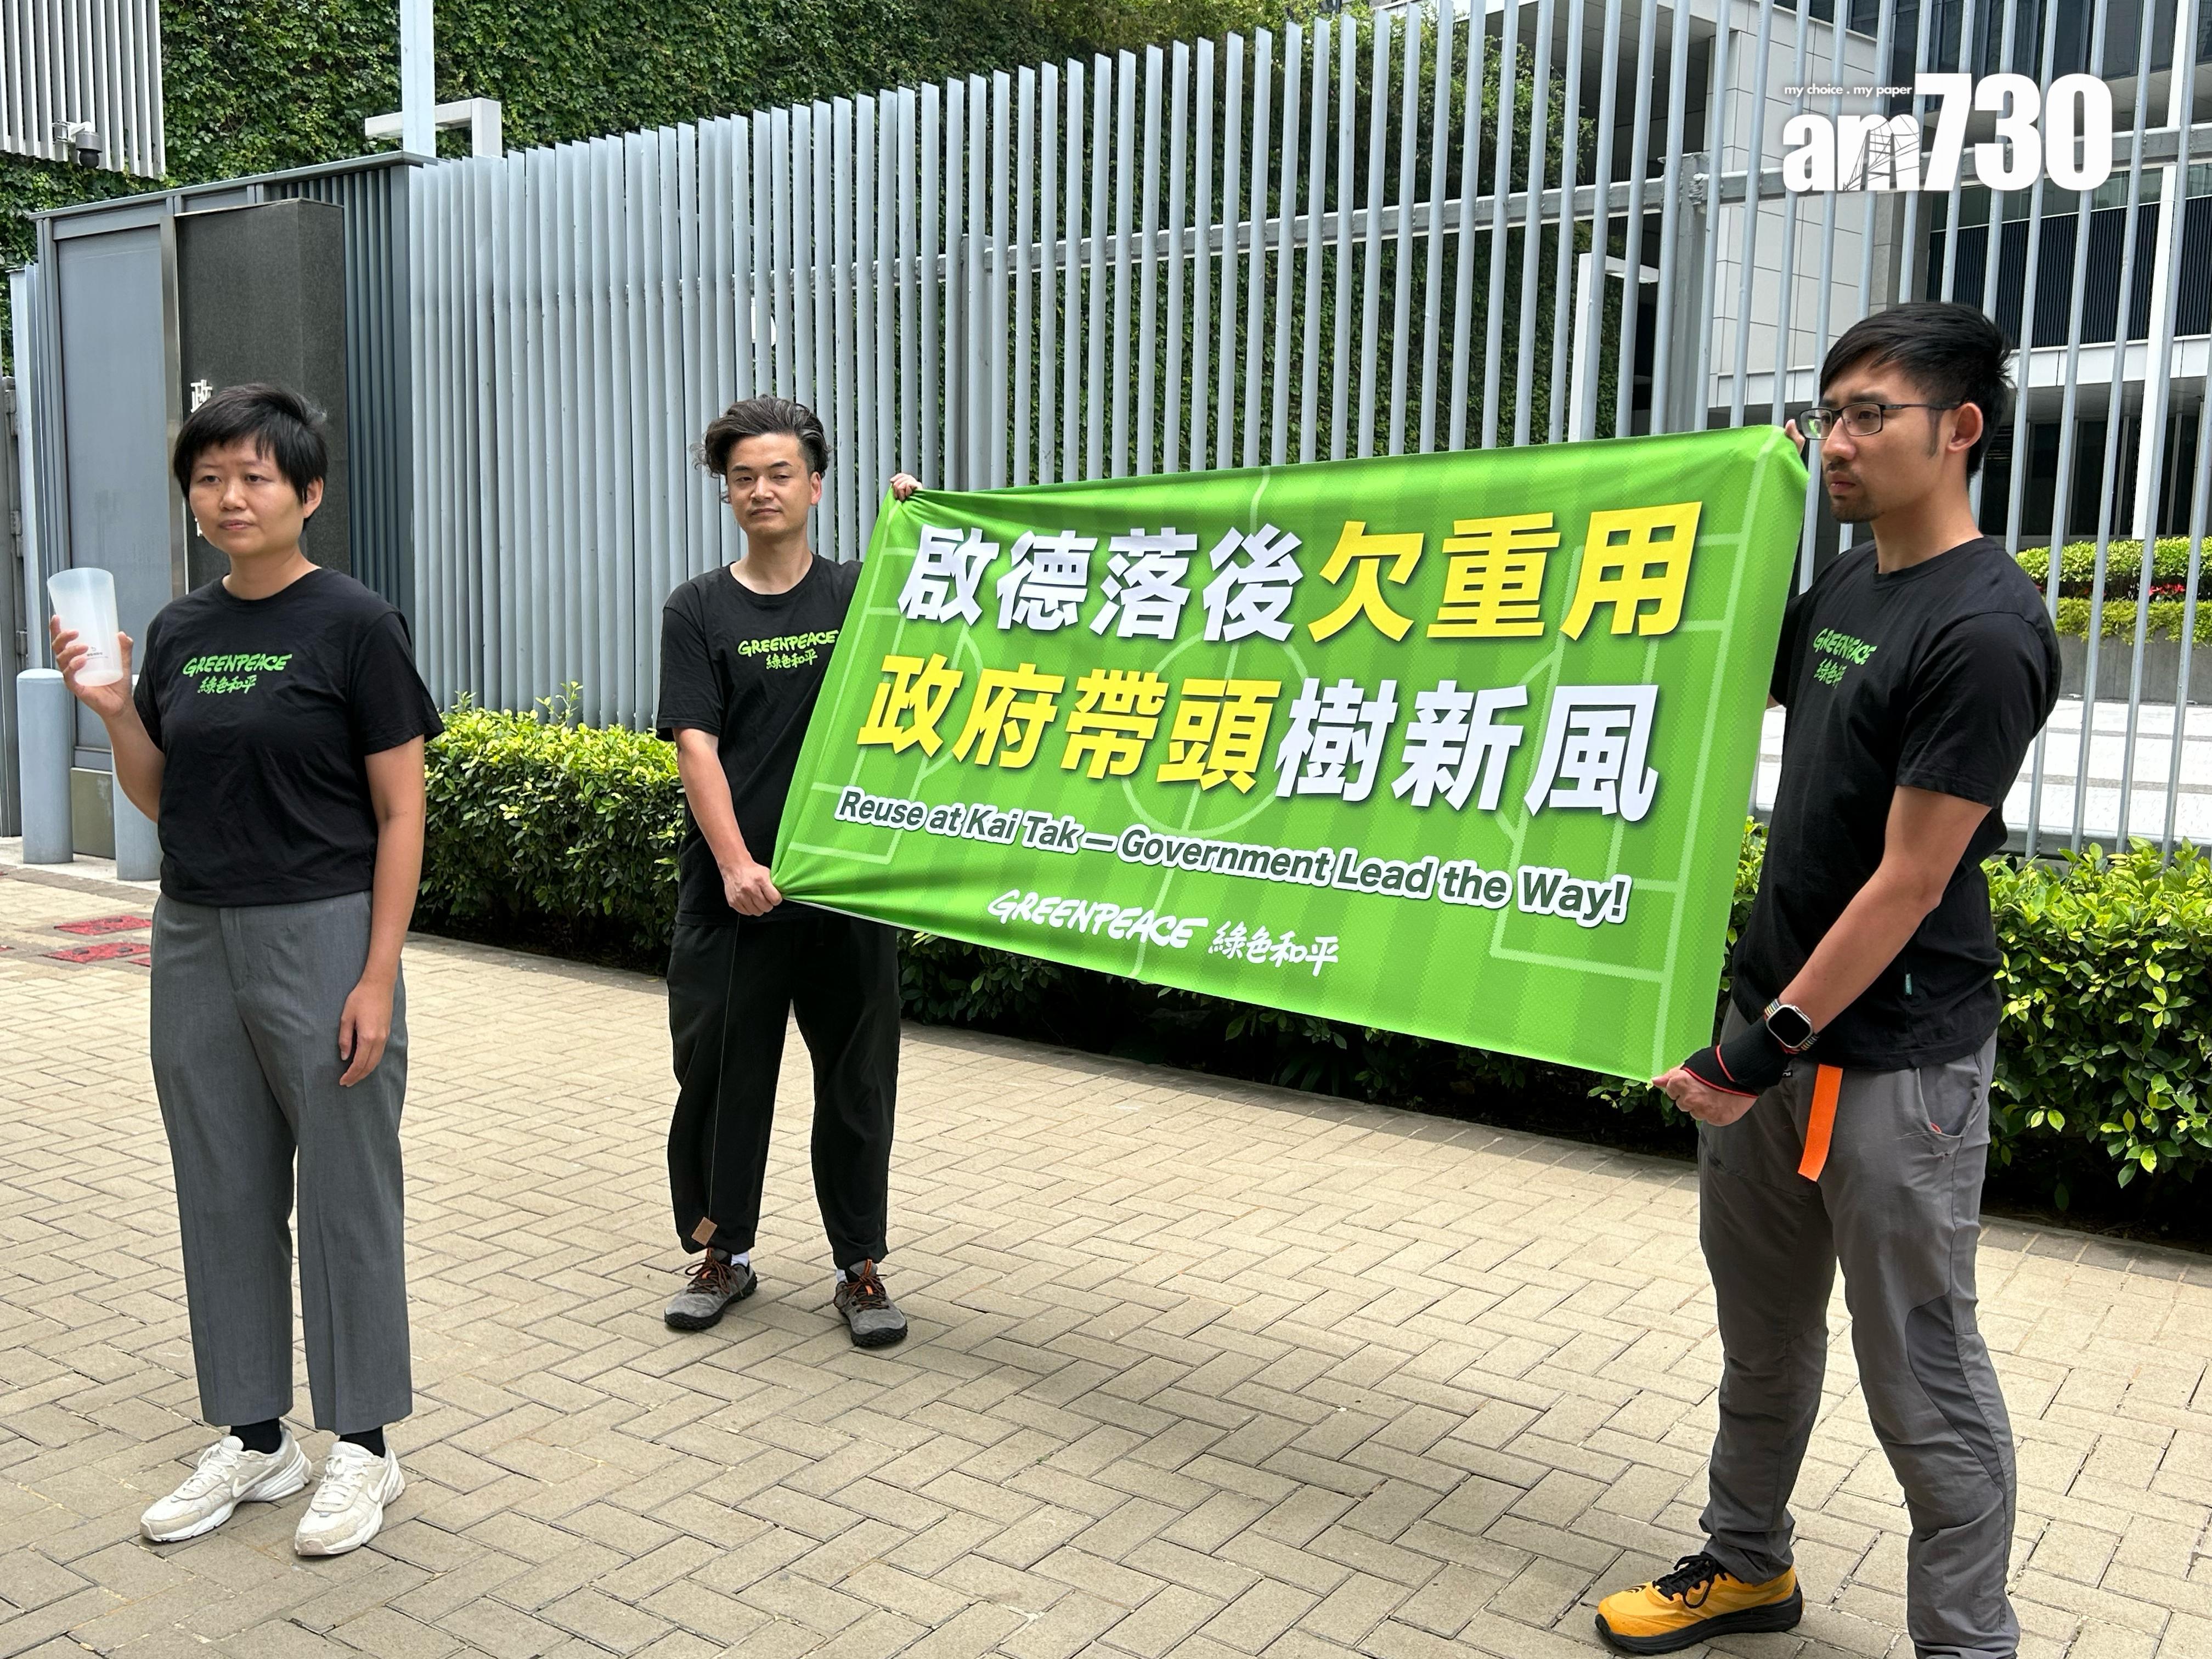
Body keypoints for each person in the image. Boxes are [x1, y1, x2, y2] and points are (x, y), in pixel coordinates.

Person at [1595, 302, 2057, 1658]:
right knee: (1762, 1339)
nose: (1837, 442)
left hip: (1896, 1069)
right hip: (1774, 1035)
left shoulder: (1987, 629)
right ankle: (1748, 1566)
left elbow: (1911, 881)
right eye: (1826, 414)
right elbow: (1708, 679)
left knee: (1920, 1372)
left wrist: (1761, 1049)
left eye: (1869, 415)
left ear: (1959, 428)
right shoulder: (1850, 587)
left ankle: (1966, 1642)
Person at [51, 383, 442, 1555]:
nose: (230, 497)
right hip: (193, 935)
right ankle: (258, 1436)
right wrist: (115, 711)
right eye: (209, 478)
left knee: (345, 1193)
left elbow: (403, 811)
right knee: (220, 1189)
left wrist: (376, 975)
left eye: (255, 477)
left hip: (322, 931)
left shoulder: (356, 623)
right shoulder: (179, 630)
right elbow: (164, 796)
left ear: (306, 493)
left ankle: (365, 1445)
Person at [655, 395, 923, 1347]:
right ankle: (721, 1252)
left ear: (815, 485)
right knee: (720, 1080)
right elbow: (696, 744)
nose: (761, 489)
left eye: (780, 473)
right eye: (743, 477)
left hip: (846, 891)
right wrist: (735, 864)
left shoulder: (861, 591)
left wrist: (926, 524)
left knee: (857, 1086)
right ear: (727, 493)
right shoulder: (698, 607)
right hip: (734, 899)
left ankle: (860, 1268)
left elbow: (954, 626)